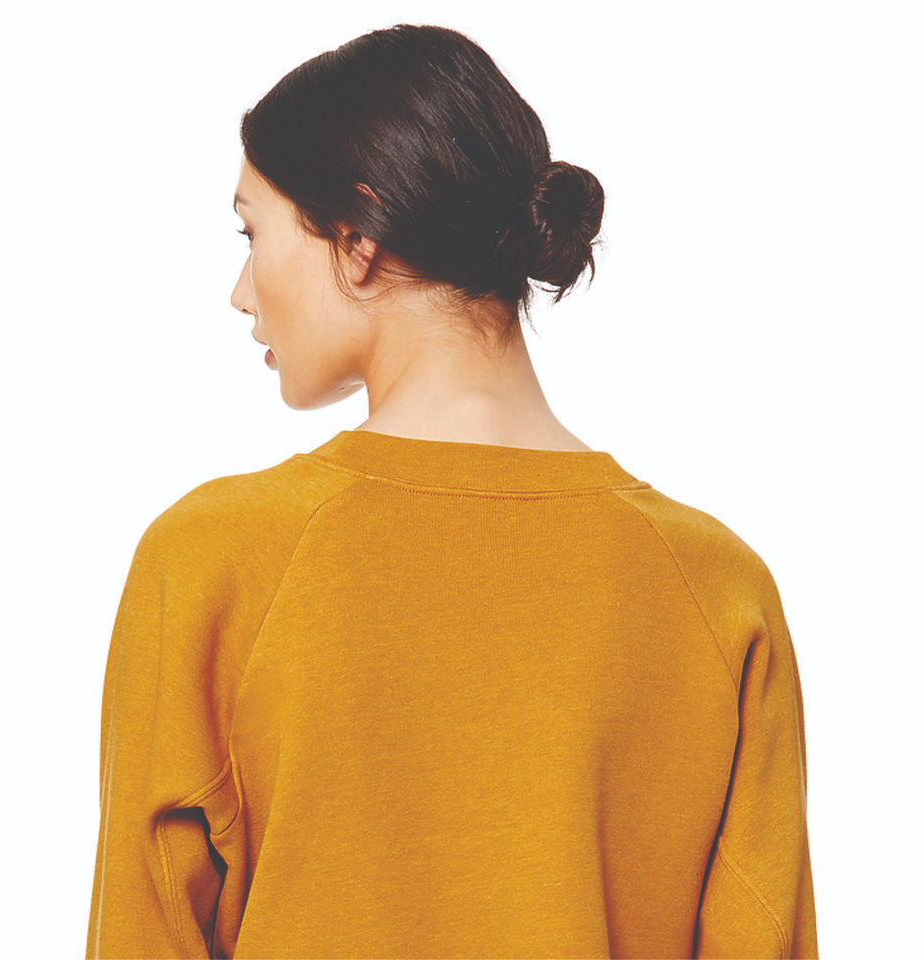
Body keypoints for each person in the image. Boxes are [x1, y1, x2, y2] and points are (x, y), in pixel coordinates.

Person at [85, 22, 818, 960]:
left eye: (251, 231)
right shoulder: (716, 589)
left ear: (357, 236)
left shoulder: (212, 562)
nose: (240, 290)